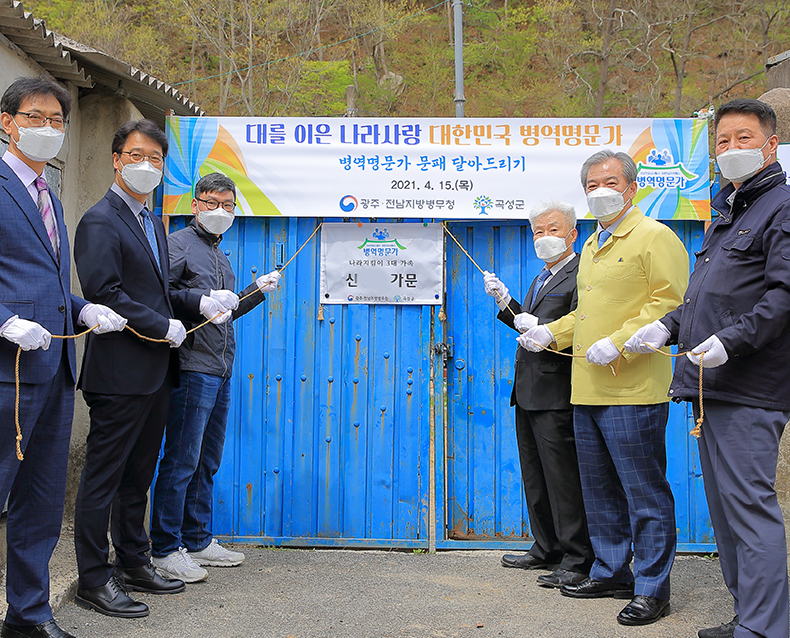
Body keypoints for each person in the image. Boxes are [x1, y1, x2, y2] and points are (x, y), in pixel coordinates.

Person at [626, 98, 790, 638]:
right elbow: (706, 297)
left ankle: (767, 627)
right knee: (724, 512)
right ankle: (752, 615)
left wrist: (731, 341)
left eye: (744, 138)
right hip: (709, 384)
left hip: (752, 384)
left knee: (748, 507)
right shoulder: (728, 212)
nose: (731, 149)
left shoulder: (782, 207)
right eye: (722, 142)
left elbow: (782, 297)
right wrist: (668, 327)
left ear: (771, 144)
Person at [72, 120, 238, 618]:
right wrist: (163, 323)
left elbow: (162, 291)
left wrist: (198, 301)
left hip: (157, 371)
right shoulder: (101, 220)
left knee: (137, 478)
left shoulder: (149, 220)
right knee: (103, 479)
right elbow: (106, 294)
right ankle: (93, 579)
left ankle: (133, 562)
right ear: (117, 159)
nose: (147, 166)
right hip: (120, 373)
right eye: (136, 155)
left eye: (156, 159)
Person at [520, 149, 688, 626]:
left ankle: (654, 588)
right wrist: (552, 332)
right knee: (599, 492)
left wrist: (619, 343)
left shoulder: (655, 237)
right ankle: (613, 570)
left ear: (632, 187)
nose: (600, 191)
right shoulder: (592, 245)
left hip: (633, 389)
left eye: (609, 181)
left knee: (644, 492)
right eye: (591, 184)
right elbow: (586, 315)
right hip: (586, 389)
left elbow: (670, 304)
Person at [0, 77, 125, 638]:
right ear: (7, 122)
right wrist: (3, 320)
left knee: (42, 504)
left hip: (52, 372)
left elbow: (43, 285)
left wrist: (81, 310)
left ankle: (27, 616)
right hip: (7, 372)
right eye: (36, 117)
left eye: (57, 121)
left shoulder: (47, 194)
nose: (48, 129)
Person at [149, 173, 281, 582]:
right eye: (211, 202)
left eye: (227, 204)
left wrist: (255, 291)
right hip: (192, 367)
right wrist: (200, 300)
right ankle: (164, 548)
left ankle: (198, 539)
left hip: (220, 368)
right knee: (182, 460)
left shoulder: (219, 255)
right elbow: (159, 294)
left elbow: (222, 312)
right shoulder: (177, 245)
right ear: (195, 205)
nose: (220, 211)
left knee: (207, 460)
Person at [481, 200, 593, 589]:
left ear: (572, 233)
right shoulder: (544, 275)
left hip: (557, 392)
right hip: (527, 391)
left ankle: (577, 557)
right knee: (535, 475)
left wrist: (537, 323)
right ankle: (545, 546)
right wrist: (505, 302)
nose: (544, 238)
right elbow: (531, 331)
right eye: (538, 232)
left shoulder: (581, 273)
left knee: (563, 478)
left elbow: (572, 328)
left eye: (553, 229)